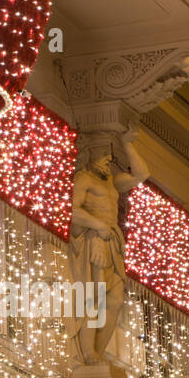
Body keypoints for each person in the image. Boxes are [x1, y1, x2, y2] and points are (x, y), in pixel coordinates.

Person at [67, 126, 148, 364]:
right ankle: (88, 352)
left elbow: (142, 175)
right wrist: (97, 225)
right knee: (96, 296)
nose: (108, 160)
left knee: (114, 301)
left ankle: (98, 352)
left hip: (112, 242)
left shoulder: (112, 182)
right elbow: (72, 209)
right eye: (103, 154)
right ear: (90, 153)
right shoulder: (84, 178)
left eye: (109, 155)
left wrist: (127, 144)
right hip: (94, 241)